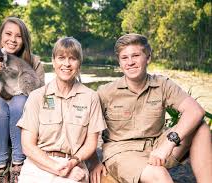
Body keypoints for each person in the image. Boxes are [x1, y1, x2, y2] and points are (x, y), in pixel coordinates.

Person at [90, 33, 212, 183]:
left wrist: (168, 143)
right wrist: (94, 162)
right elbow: (85, 128)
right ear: (119, 63)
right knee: (158, 174)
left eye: (135, 55)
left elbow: (196, 111)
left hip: (157, 148)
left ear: (148, 58)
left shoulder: (162, 84)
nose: (130, 62)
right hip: (122, 153)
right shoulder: (106, 92)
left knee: (200, 127)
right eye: (124, 58)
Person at [16, 37, 107, 183]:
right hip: (38, 165)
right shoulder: (37, 96)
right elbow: (27, 145)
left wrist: (71, 164)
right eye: (61, 58)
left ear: (79, 63)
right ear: (53, 61)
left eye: (73, 58)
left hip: (74, 164)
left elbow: (91, 143)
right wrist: (57, 168)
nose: (67, 64)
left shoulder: (91, 98)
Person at [0, 16, 45, 183]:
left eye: (18, 36)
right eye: (8, 34)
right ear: (1, 36)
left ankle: (18, 163)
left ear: (24, 40)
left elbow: (43, 100)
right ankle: (1, 165)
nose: (12, 40)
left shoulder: (34, 62)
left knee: (21, 101)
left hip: (22, 125)